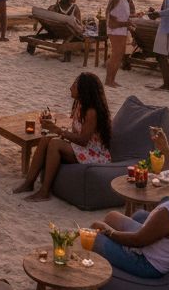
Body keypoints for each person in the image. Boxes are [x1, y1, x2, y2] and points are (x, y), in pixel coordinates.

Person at [14, 72, 112, 201]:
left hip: (93, 153)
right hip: (81, 147)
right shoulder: (79, 104)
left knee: (55, 144)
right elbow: (75, 131)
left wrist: (58, 131)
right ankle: (28, 184)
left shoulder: (91, 112)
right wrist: (52, 125)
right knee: (45, 140)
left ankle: (44, 192)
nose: (70, 88)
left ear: (84, 90)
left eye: (74, 86)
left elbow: (83, 140)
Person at [104, 0, 141, 87]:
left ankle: (112, 80)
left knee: (119, 56)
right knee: (115, 55)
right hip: (115, 31)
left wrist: (130, 21)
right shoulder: (118, 0)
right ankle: (108, 80)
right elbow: (112, 22)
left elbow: (122, 17)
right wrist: (126, 24)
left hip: (121, 30)